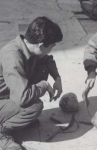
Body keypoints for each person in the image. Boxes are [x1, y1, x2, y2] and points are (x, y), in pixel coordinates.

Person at [0, 16, 63, 149]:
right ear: (41, 45)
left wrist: (57, 78)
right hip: (3, 98)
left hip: (7, 96)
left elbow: (47, 59)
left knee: (42, 68)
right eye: (52, 46)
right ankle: (1, 133)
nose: (52, 49)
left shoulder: (29, 47)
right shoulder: (13, 56)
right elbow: (22, 98)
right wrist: (44, 86)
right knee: (33, 106)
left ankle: (11, 117)